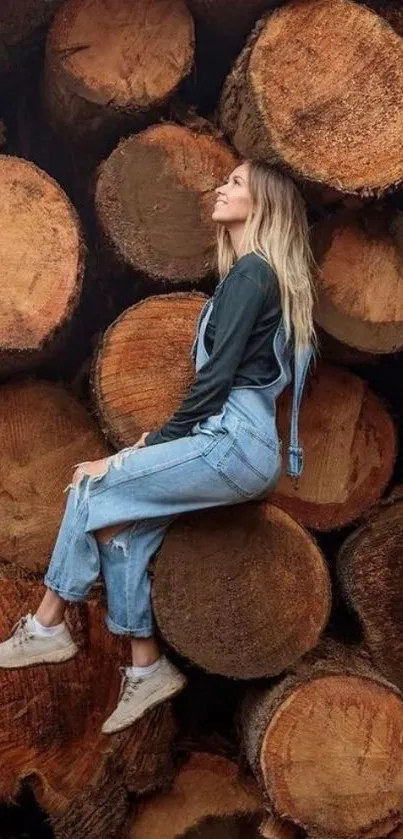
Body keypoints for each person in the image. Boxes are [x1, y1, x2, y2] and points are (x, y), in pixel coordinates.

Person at [0, 159, 316, 734]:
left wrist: (144, 447)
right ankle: (145, 665)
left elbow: (216, 380)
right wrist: (158, 441)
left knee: (94, 482)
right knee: (124, 529)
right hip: (237, 445)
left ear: (264, 205)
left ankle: (47, 624)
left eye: (237, 183)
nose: (222, 186)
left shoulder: (252, 275)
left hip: (230, 442)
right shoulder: (257, 277)